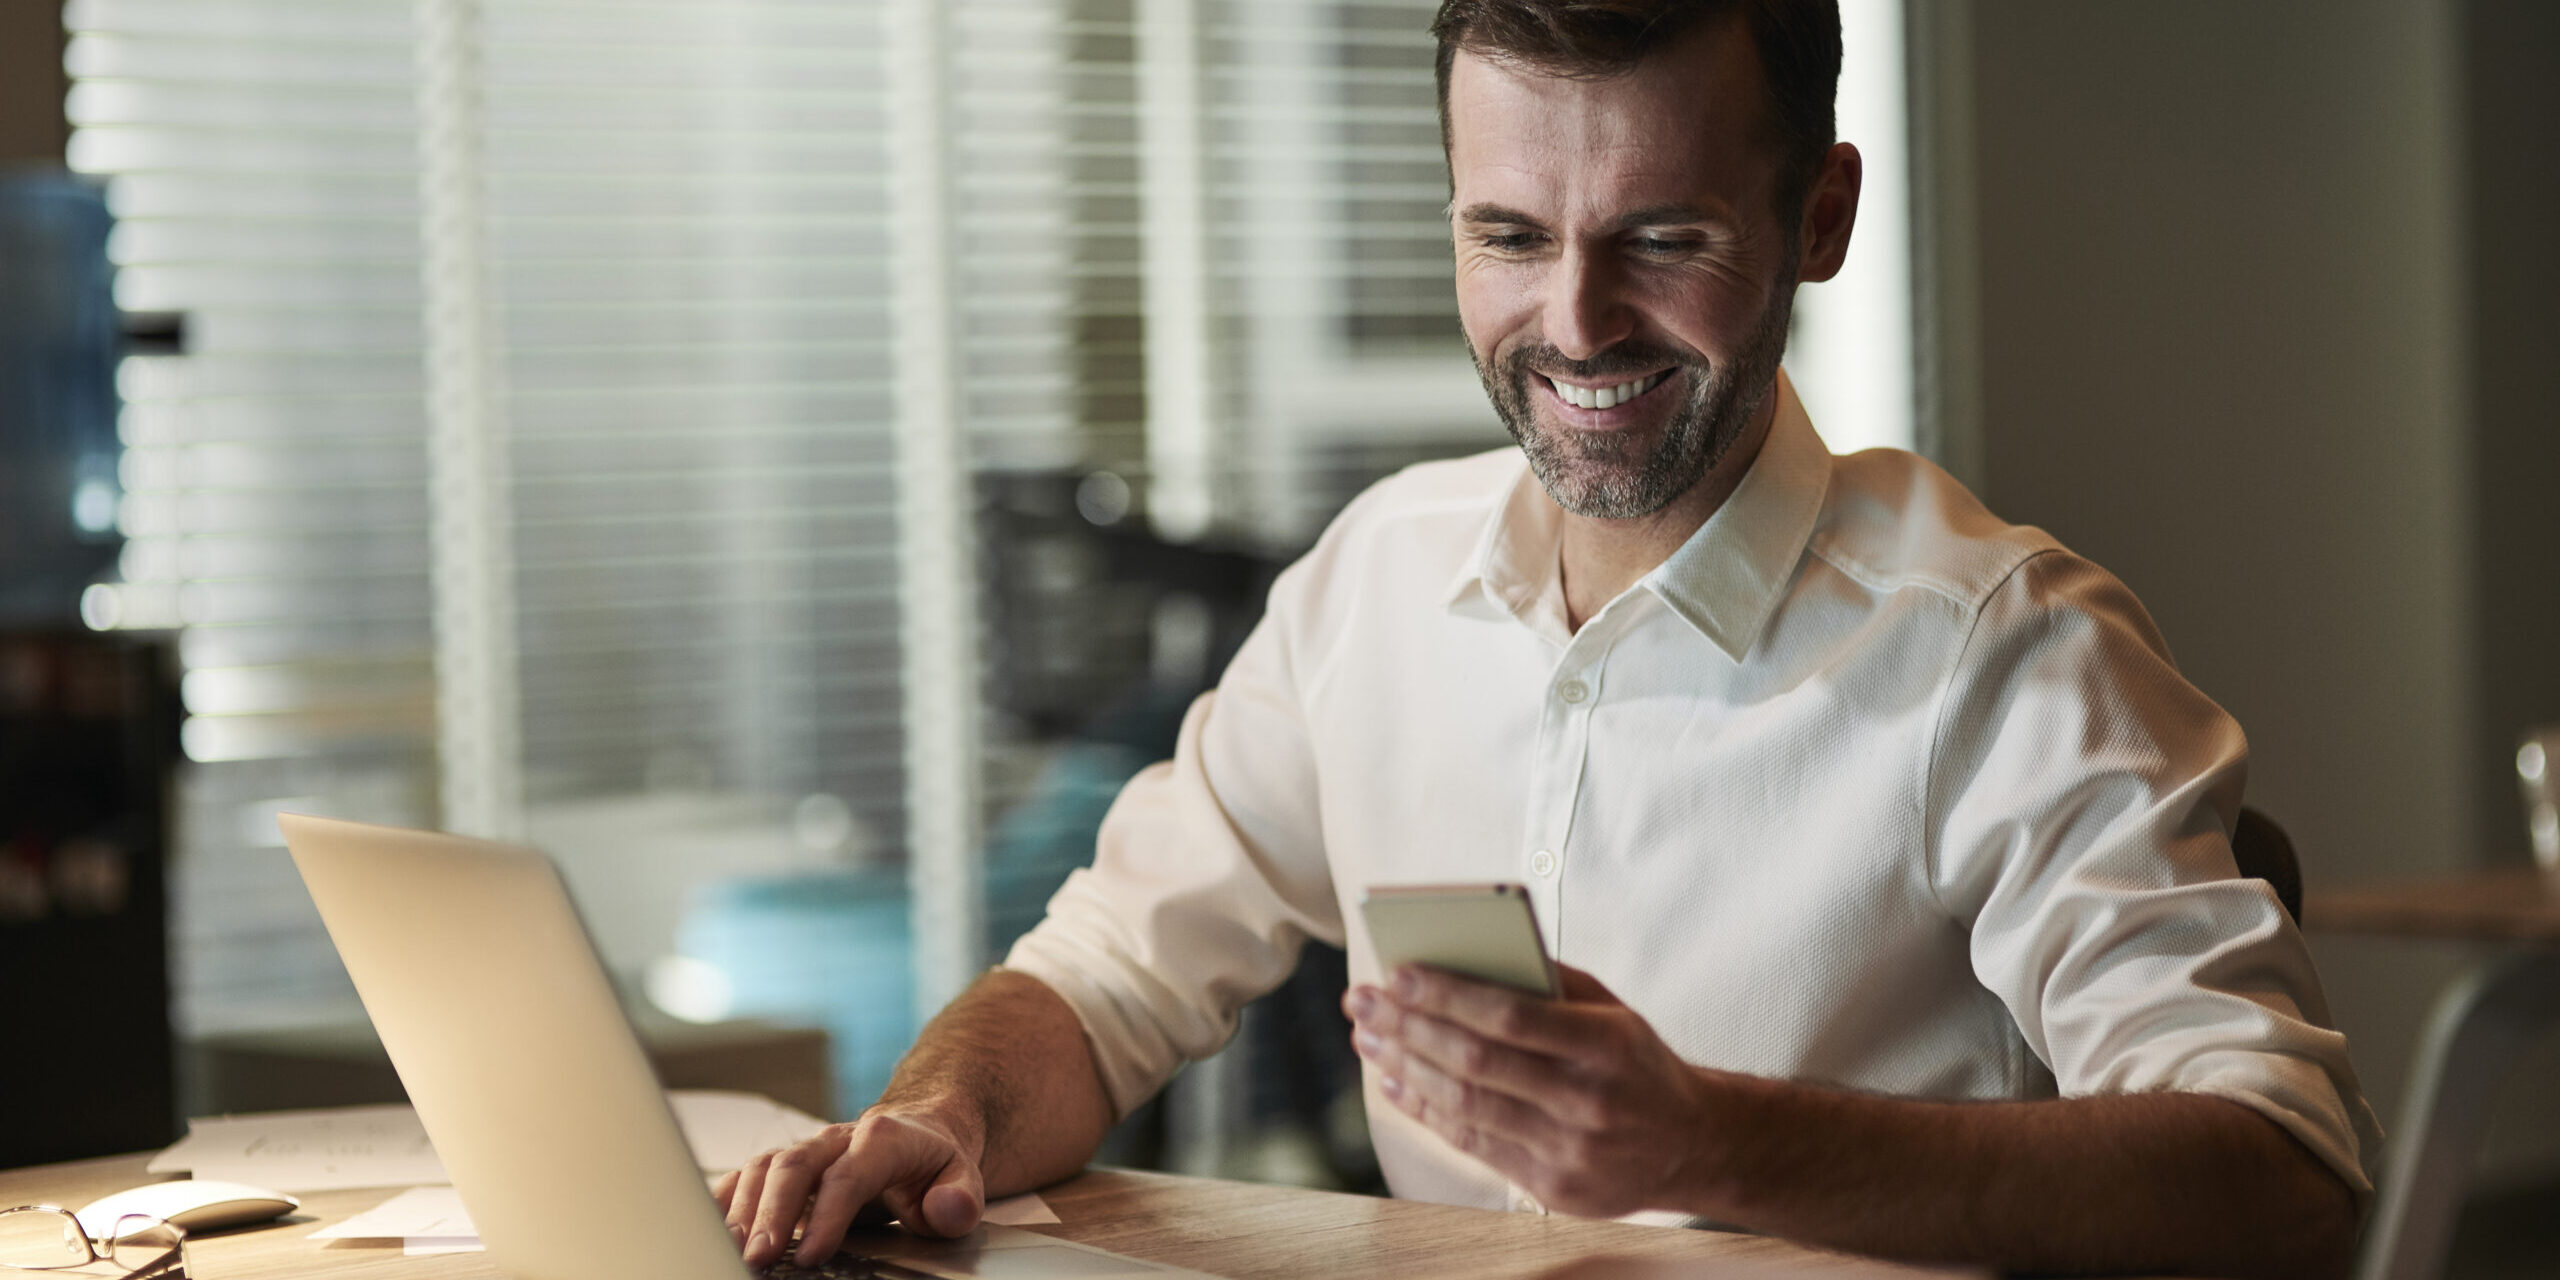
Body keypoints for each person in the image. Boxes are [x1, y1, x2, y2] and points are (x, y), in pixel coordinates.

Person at [718, 2, 2379, 1275]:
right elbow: (1101, 979)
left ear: (1817, 219)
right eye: (1508, 237)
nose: (1574, 325)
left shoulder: (2001, 649)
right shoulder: (1376, 582)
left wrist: (1713, 1145)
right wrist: (936, 1118)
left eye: (1663, 238)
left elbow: (2290, 1175)